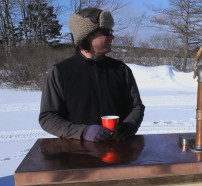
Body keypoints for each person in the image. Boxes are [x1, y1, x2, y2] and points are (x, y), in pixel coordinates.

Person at [39, 7, 145, 142]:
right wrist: (82, 132)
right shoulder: (60, 72)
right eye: (106, 32)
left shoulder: (121, 69)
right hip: (77, 154)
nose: (112, 36)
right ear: (88, 35)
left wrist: (129, 126)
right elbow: (48, 117)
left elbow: (136, 107)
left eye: (111, 31)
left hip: (120, 152)